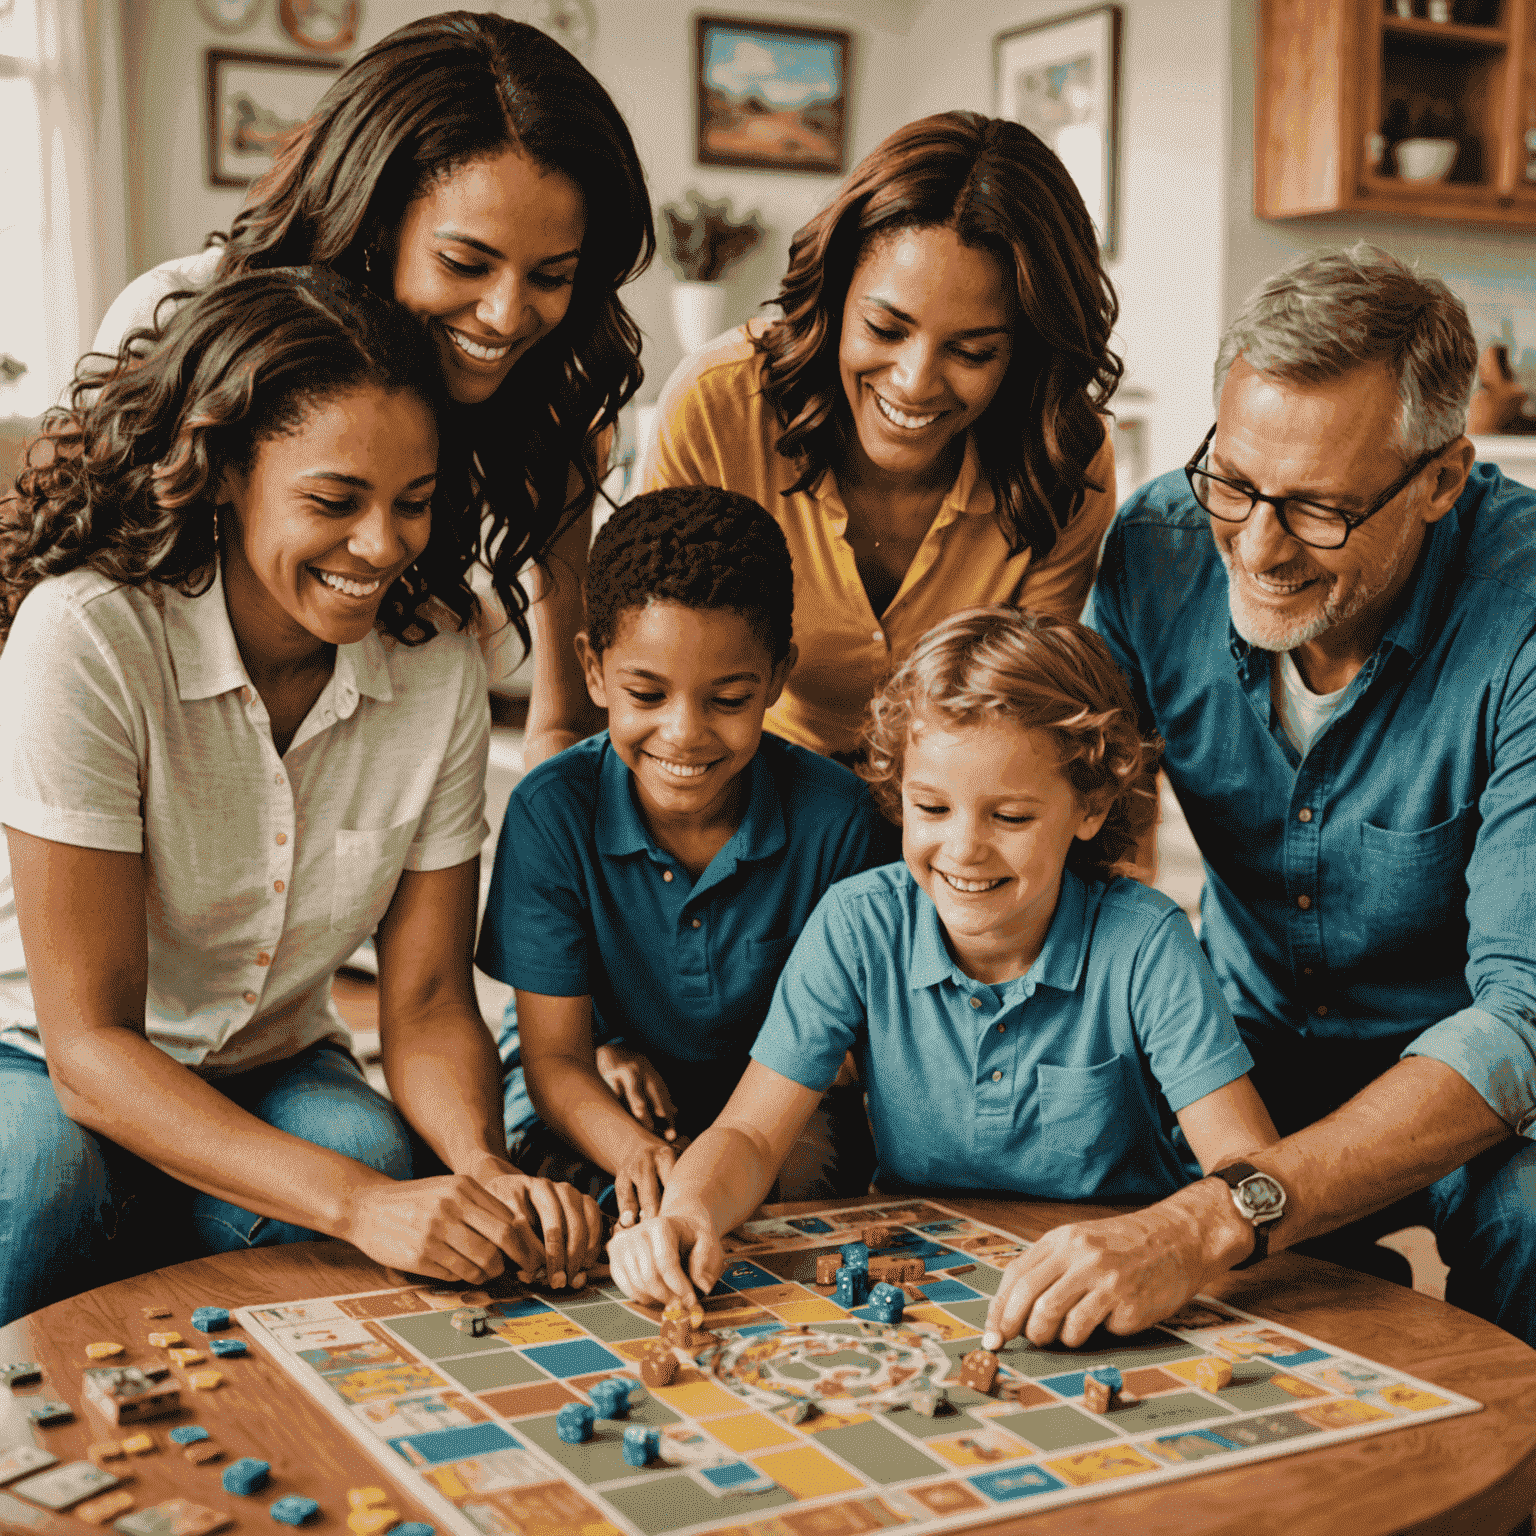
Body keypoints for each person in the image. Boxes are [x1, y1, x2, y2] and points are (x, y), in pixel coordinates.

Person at [0, 269, 601, 1328]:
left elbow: (420, 1004)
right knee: (44, 1186)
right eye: (334, 501)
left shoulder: (439, 660)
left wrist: (476, 1169)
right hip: (39, 1054)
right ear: (224, 470)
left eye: (412, 503)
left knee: (380, 1148)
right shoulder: (86, 634)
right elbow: (91, 1051)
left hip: (271, 1058)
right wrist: (364, 1207)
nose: (382, 547)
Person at [1067, 243, 1536, 1349]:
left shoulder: (1523, 609)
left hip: (1472, 1081)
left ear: (1439, 478)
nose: (1259, 548)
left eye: (1319, 508)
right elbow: (1084, 849)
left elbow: (1523, 1017)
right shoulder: (1159, 549)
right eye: (1234, 481)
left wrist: (1222, 1215)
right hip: (1240, 1036)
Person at [606, 607, 1278, 1319]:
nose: (963, 849)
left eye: (1010, 817)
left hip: (1111, 1291)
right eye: (931, 807)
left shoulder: (1147, 944)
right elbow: (749, 1134)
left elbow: (1249, 1167)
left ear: (1091, 806)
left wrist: (1172, 1243)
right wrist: (686, 1211)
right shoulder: (857, 922)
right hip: (921, 1289)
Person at [92, 11, 654, 768]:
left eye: (551, 276)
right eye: (464, 263)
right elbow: (76, 625)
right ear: (374, 222)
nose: (505, 316)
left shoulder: (551, 380)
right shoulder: (179, 326)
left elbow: (561, 715)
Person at [639, 111, 1121, 762]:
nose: (915, 383)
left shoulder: (1062, 454)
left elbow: (1018, 725)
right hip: (750, 778)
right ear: (837, 296)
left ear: (1025, 355)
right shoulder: (717, 405)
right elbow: (663, 682)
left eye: (972, 352)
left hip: (948, 792)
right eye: (885, 330)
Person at [476, 487, 896, 1225]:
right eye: (646, 693)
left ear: (776, 676)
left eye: (728, 699)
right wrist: (638, 1148)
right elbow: (554, 1063)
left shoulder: (838, 819)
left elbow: (845, 1058)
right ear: (595, 670)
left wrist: (719, 1162)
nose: (684, 734)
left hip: (771, 1103)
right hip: (593, 1102)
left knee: (795, 1207)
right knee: (581, 1220)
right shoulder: (552, 812)